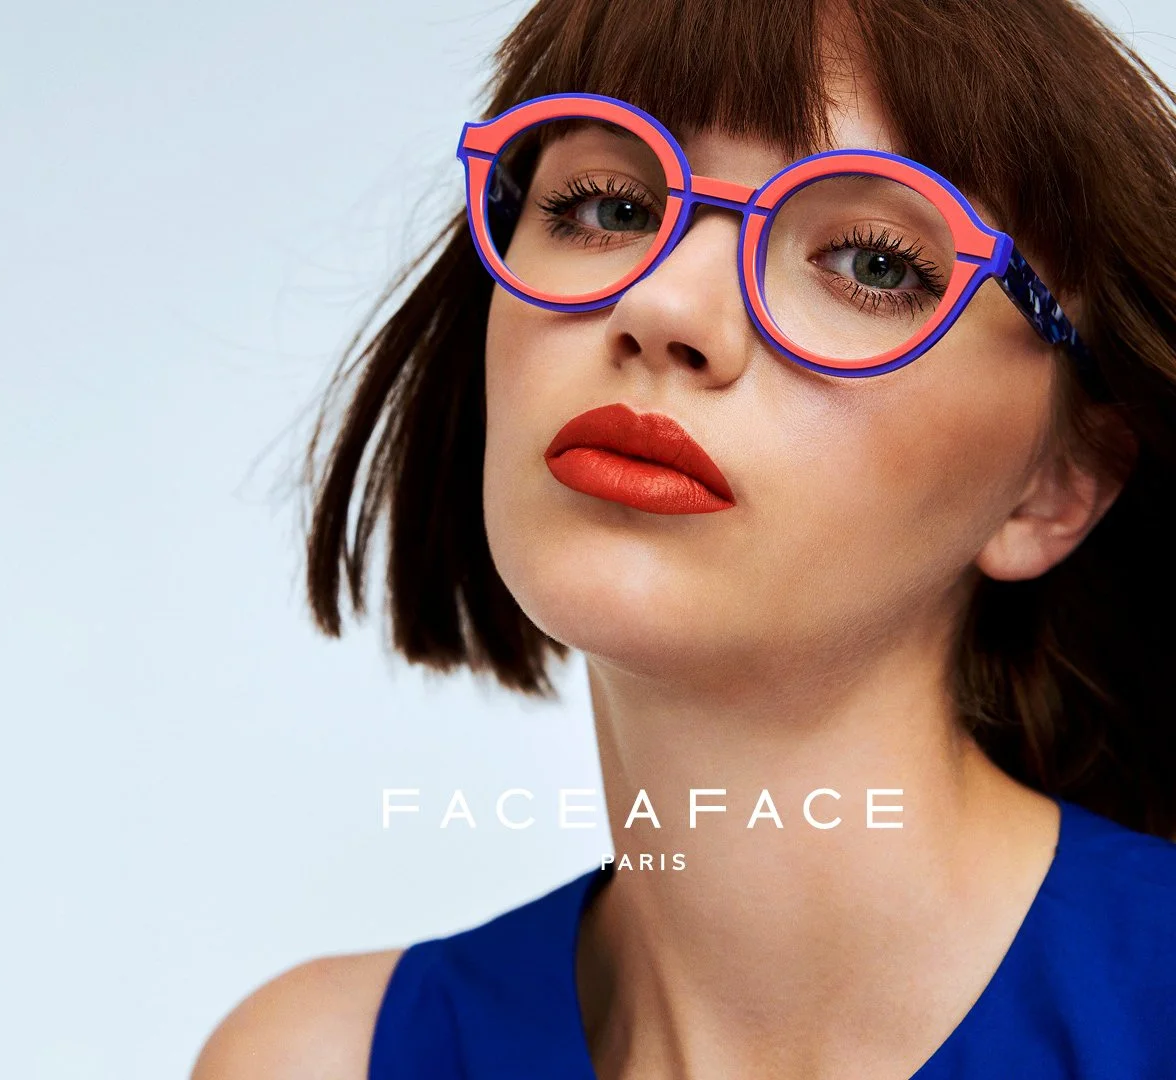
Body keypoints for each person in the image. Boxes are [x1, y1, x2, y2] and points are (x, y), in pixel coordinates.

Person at [191, 0, 1176, 1076]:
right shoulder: (321, 1059)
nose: (663, 306)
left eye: (873, 264)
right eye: (607, 205)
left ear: (1056, 487)